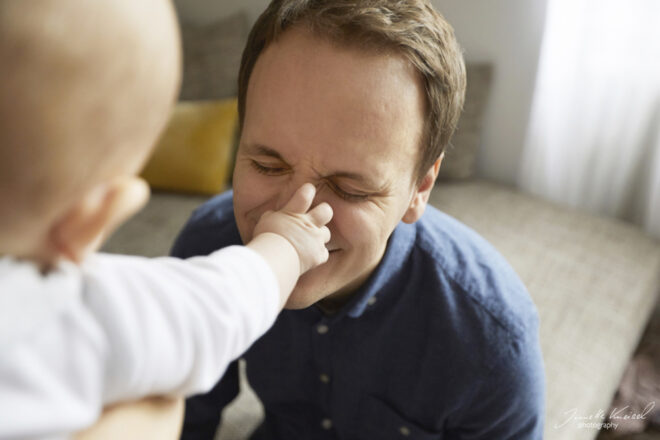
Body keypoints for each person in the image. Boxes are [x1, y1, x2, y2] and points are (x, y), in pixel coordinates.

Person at [175, 0, 546, 439]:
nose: (297, 217)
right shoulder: (208, 251)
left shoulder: (491, 340)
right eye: (268, 165)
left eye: (351, 189)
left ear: (420, 189)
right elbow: (181, 420)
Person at [0, 0, 333, 438]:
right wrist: (286, 244)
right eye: (268, 166)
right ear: (93, 218)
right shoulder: (81, 314)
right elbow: (222, 304)